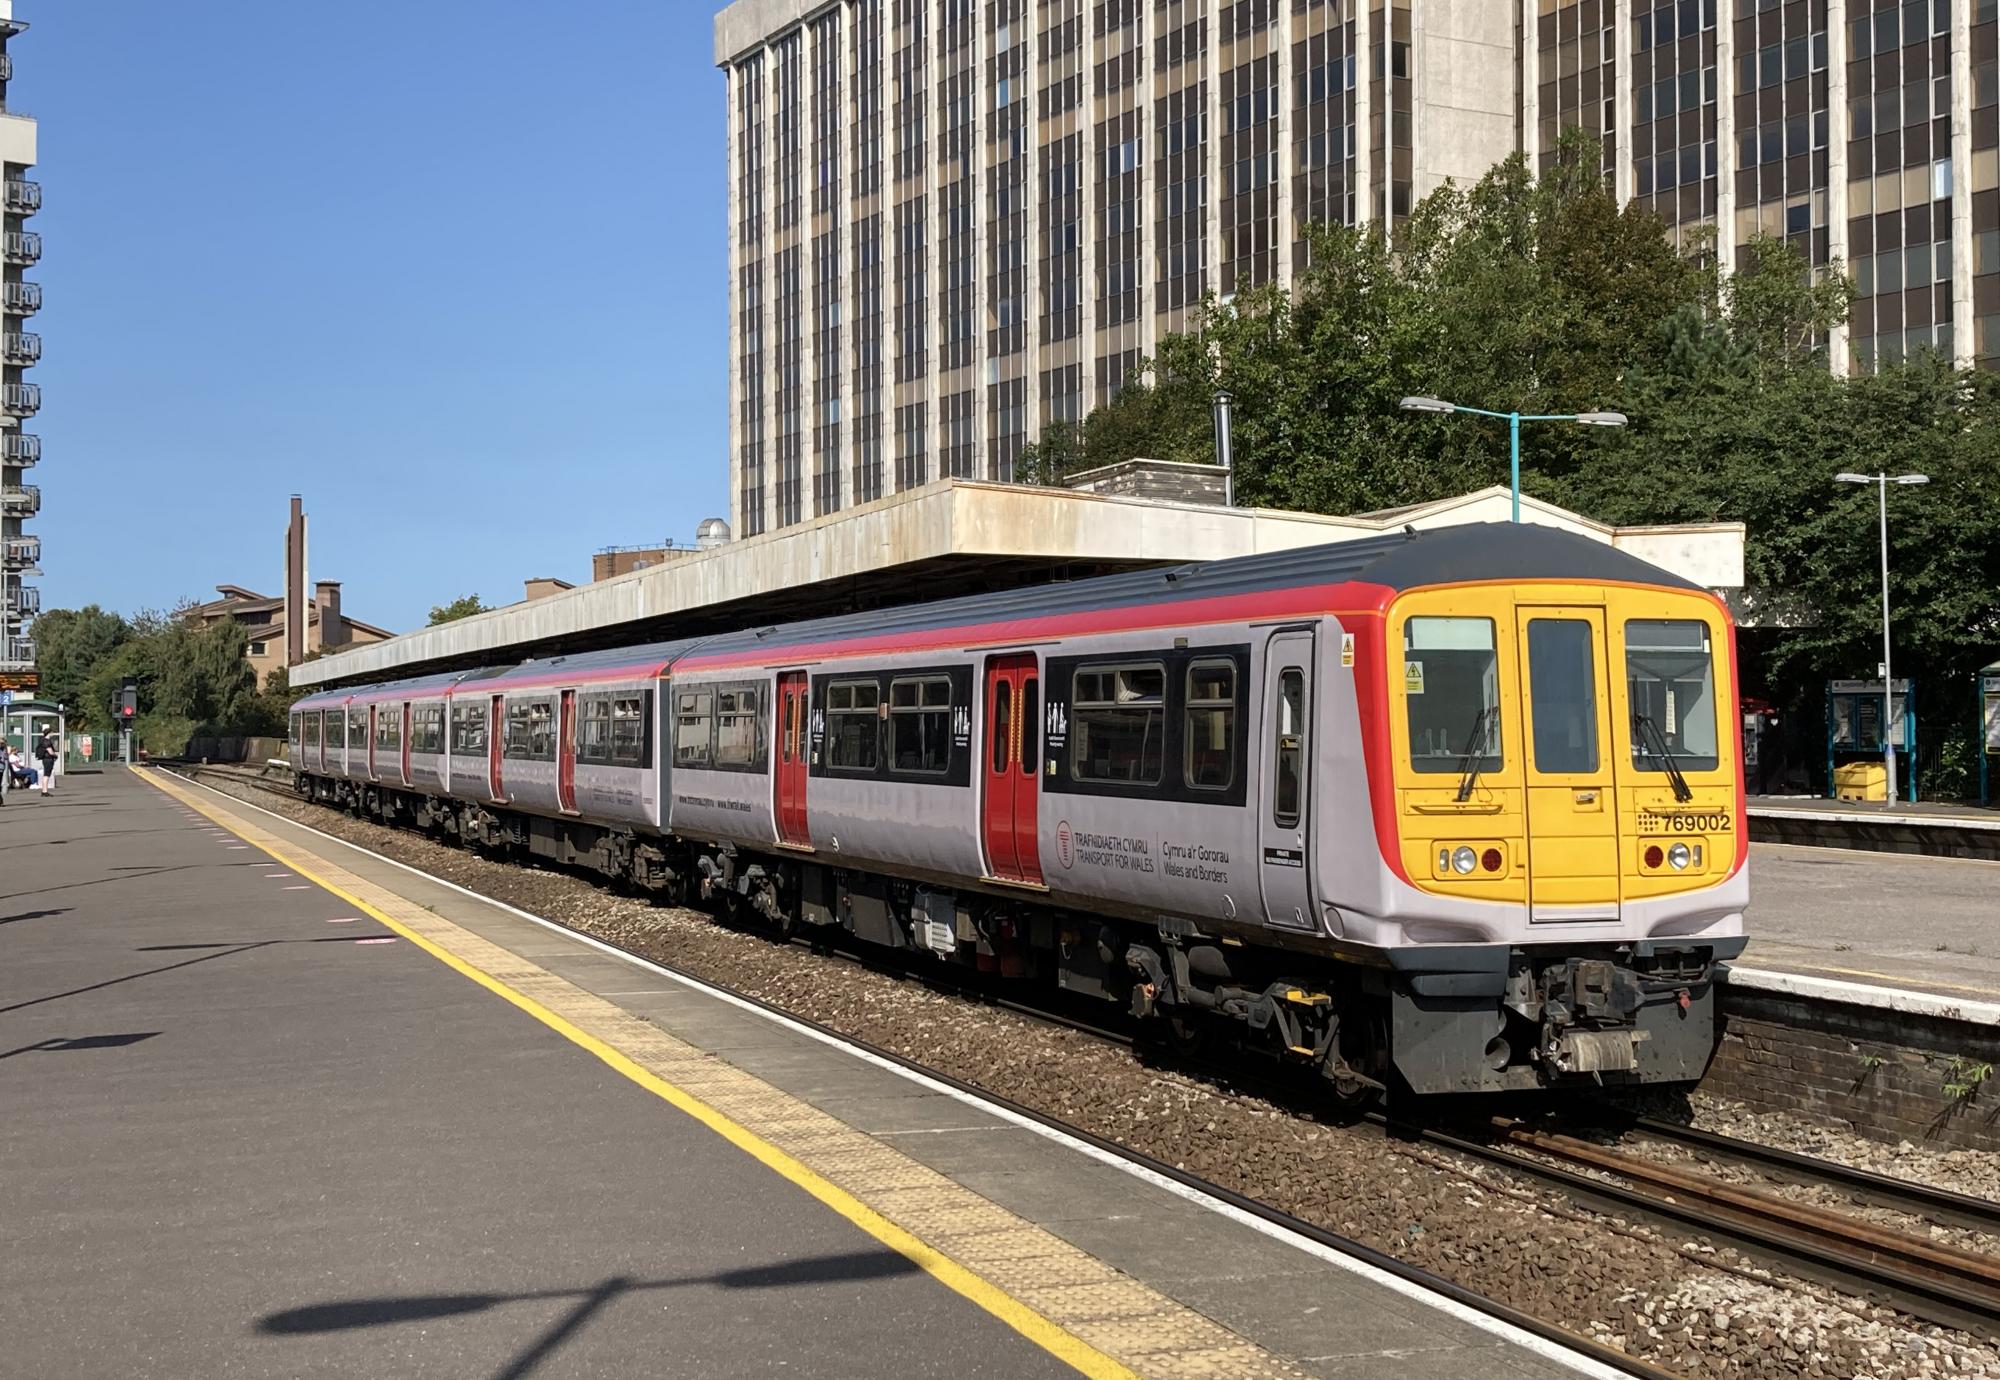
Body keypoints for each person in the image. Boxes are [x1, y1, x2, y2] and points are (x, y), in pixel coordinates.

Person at [35, 725, 56, 796]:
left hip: (45, 759)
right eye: (52, 732)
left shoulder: (42, 740)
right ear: (49, 733)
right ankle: (45, 791)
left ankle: (44, 790)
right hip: (48, 759)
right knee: (47, 775)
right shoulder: (47, 741)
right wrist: (55, 755)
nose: (53, 733)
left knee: (46, 775)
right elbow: (50, 751)